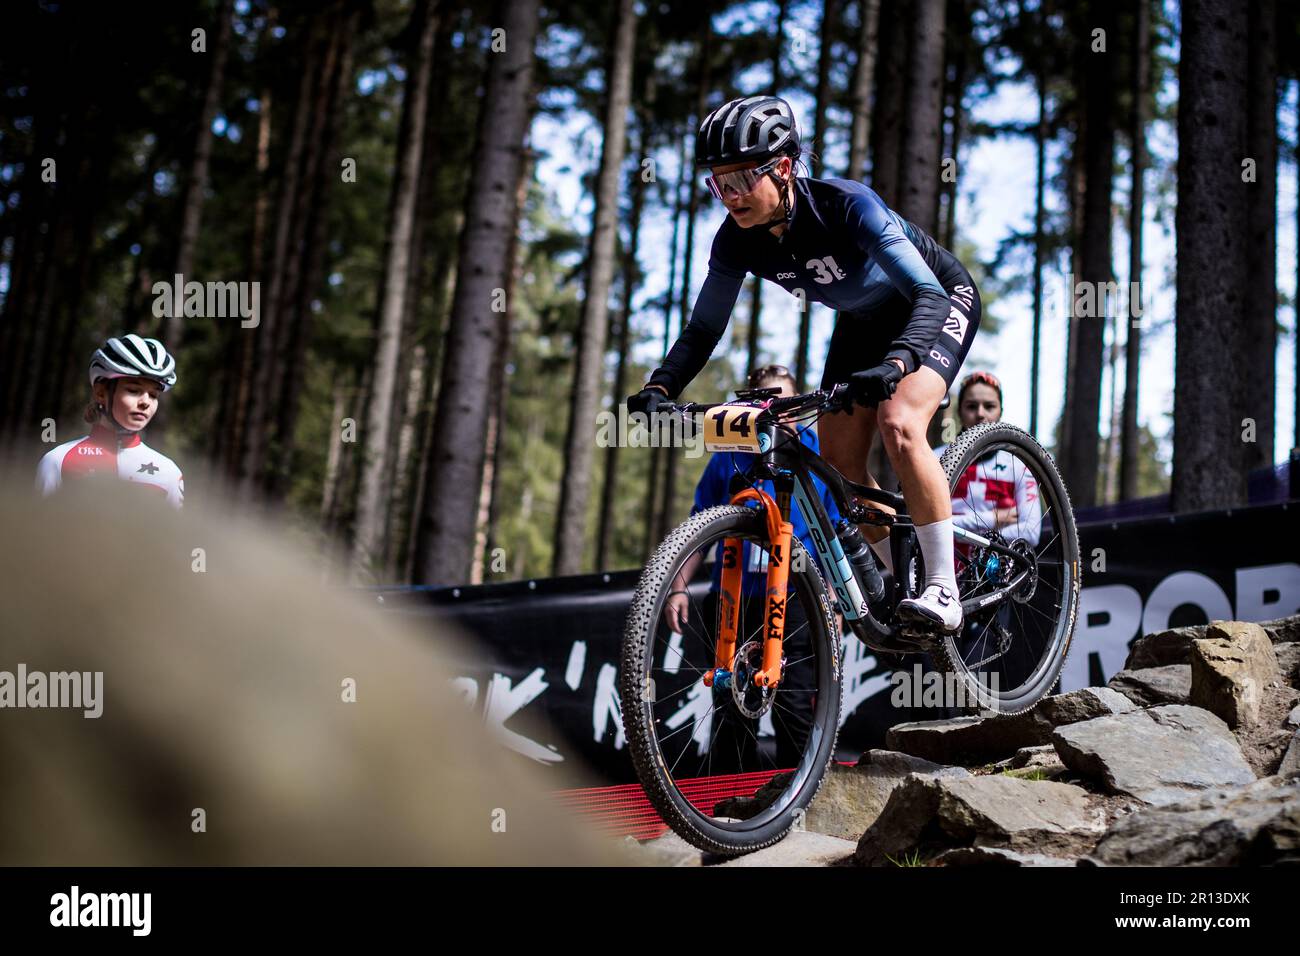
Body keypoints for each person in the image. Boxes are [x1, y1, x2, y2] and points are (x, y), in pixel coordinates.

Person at [628, 94, 982, 634]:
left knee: (900, 425)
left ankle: (944, 588)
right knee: (841, 469)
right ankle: (904, 586)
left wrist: (896, 364)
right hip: (862, 323)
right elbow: (705, 328)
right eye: (719, 183)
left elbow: (929, 296)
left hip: (934, 301)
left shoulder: (847, 207)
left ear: (785, 167)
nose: (730, 196)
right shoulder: (736, 239)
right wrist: (661, 385)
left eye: (743, 178)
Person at [662, 363, 844, 770]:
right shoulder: (728, 454)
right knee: (729, 701)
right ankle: (728, 806)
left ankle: (795, 799)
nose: (773, 406)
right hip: (735, 598)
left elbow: (834, 533)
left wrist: (834, 600)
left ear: (797, 408)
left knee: (794, 702)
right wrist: (677, 586)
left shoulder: (815, 452)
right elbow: (699, 525)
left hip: (797, 599)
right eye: (764, 398)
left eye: (783, 399)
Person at [36, 333, 185, 508]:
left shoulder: (169, 472)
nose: (145, 402)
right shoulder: (58, 460)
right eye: (133, 390)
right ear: (100, 393)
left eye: (153, 395)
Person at [936, 370, 1041, 547]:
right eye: (971, 406)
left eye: (989, 406)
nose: (980, 414)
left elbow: (1031, 532)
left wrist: (960, 527)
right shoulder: (935, 459)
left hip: (997, 571)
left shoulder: (1019, 466)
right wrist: (992, 518)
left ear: (1001, 411)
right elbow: (925, 525)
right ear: (959, 411)